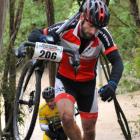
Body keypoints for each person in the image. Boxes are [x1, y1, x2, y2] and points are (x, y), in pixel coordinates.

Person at [20, 0, 124, 139]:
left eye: (98, 28)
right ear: (82, 17)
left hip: (88, 84)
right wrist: (45, 38)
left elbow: (117, 61)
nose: (94, 31)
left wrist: (112, 84)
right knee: (66, 118)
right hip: (65, 80)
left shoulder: (103, 34)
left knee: (89, 129)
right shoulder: (66, 26)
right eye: (91, 25)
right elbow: (33, 35)